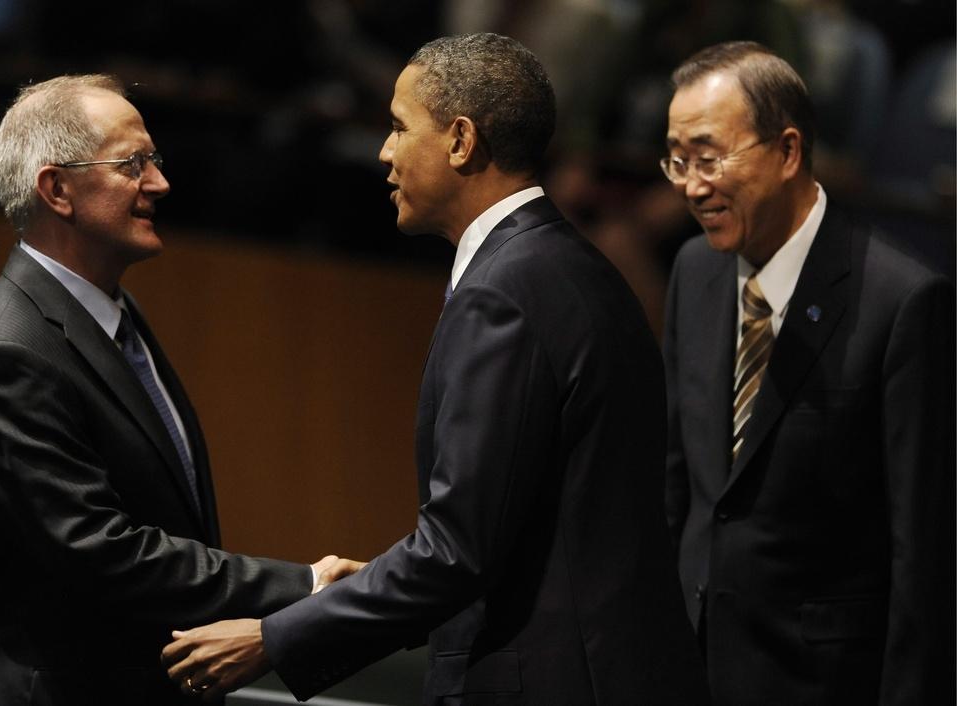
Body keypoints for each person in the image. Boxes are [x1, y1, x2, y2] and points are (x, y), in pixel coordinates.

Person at [162, 33, 709, 705]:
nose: (385, 151)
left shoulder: (503, 293)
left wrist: (271, 639)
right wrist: (387, 582)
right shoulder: (573, 268)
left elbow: (456, 553)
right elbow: (518, 530)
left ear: (460, 140)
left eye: (398, 127)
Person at [0, 74, 354, 705]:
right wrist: (304, 586)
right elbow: (103, 553)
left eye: (153, 160)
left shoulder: (110, 315)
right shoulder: (13, 351)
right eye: (133, 164)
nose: (159, 183)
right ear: (57, 189)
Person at [660, 41, 955, 705]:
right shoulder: (693, 271)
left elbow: (924, 556)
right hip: (688, 670)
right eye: (676, 161)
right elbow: (680, 488)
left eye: (708, 157)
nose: (690, 184)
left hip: (817, 685)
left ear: (788, 151)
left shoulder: (902, 301)